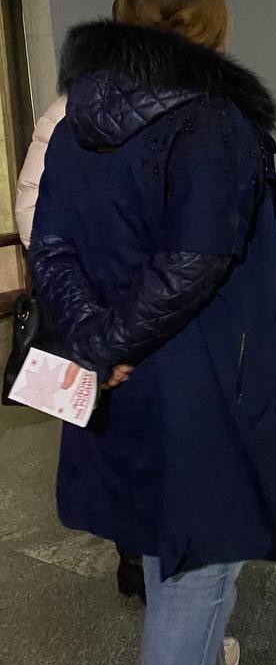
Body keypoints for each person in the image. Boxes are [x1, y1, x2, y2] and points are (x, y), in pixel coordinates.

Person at [29, 0, 276, 665]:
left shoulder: (78, 119)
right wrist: (115, 340)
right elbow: (197, 260)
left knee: (160, 537)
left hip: (123, 374)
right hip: (196, 374)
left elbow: (51, 245)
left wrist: (96, 340)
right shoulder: (212, 121)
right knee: (198, 557)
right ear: (212, 24)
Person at [17, 93, 147, 603]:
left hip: (99, 295)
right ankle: (136, 555)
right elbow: (37, 213)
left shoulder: (68, 109)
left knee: (110, 429)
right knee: (110, 426)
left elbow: (33, 210)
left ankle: (135, 555)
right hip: (102, 299)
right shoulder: (76, 113)